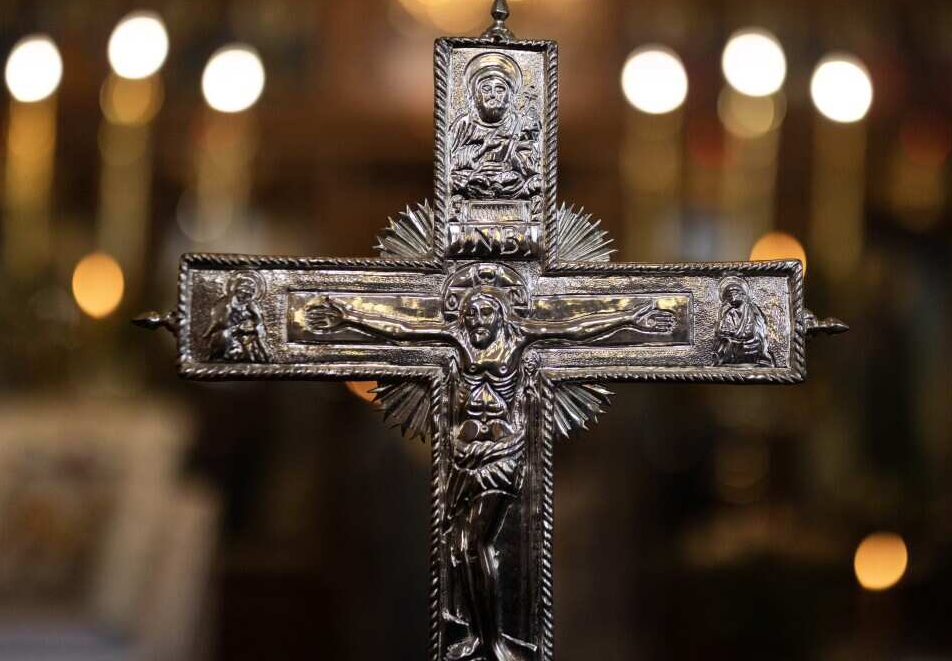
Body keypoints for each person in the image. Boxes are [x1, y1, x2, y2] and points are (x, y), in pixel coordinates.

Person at [304, 263, 673, 661]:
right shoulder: (457, 349)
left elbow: (578, 329)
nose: (478, 320)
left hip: (502, 458)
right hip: (464, 462)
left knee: (473, 543)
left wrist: (631, 317)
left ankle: (492, 640)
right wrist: (348, 317)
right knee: (460, 549)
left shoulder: (517, 347)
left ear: (503, 316)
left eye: (486, 312)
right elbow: (400, 330)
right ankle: (481, 636)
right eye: (472, 313)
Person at [448, 52, 541, 201]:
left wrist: (508, 164)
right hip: (473, 183)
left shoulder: (522, 124)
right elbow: (449, 164)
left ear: (511, 97)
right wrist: (480, 153)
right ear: (474, 96)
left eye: (500, 89)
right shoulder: (463, 124)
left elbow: (532, 166)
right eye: (486, 89)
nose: (493, 95)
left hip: (511, 185)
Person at [204, 272, 269, 363]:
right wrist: (236, 327)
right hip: (228, 333)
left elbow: (259, 323)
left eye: (249, 293)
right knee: (224, 336)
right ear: (236, 290)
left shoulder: (252, 305)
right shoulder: (225, 304)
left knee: (254, 343)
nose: (245, 295)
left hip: (246, 333)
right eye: (243, 292)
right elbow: (219, 322)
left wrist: (254, 325)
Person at [714, 276, 775, 366]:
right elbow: (722, 330)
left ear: (742, 295)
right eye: (729, 296)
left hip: (750, 342)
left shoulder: (750, 310)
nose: (732, 298)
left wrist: (733, 335)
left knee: (740, 346)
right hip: (733, 343)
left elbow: (750, 331)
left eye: (735, 294)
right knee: (725, 345)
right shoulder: (729, 313)